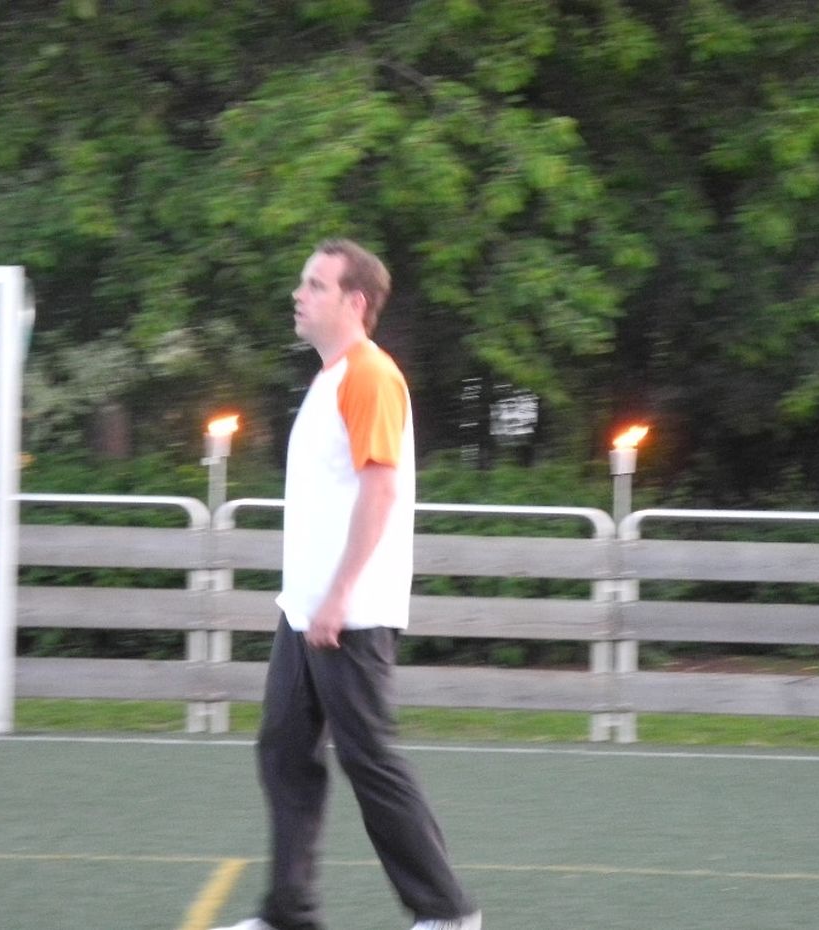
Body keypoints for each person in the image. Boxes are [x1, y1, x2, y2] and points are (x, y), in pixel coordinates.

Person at [213, 240, 481, 930]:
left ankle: (449, 913)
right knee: (284, 752)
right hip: (305, 612)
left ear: (354, 302)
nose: (298, 294)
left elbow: (381, 489)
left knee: (370, 760)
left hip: (348, 613)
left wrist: (338, 596)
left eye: (315, 285)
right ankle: (289, 914)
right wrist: (311, 602)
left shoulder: (370, 375)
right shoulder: (330, 379)